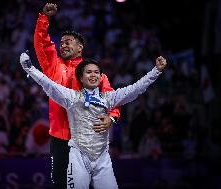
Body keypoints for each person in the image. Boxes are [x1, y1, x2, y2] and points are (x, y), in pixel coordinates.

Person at [19, 52, 167, 189]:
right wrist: (29, 68)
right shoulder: (72, 97)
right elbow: (49, 85)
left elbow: (135, 89)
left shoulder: (109, 98)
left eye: (96, 72)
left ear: (101, 76)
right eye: (89, 72)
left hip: (102, 158)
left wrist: (156, 71)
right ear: (81, 78)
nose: (93, 75)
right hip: (78, 158)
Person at [34, 3, 120, 188]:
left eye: (68, 42)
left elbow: (112, 98)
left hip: (87, 139)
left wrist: (111, 118)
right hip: (60, 139)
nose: (62, 45)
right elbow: (42, 44)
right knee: (60, 184)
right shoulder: (53, 66)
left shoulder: (93, 73)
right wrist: (44, 18)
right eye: (61, 42)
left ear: (80, 47)